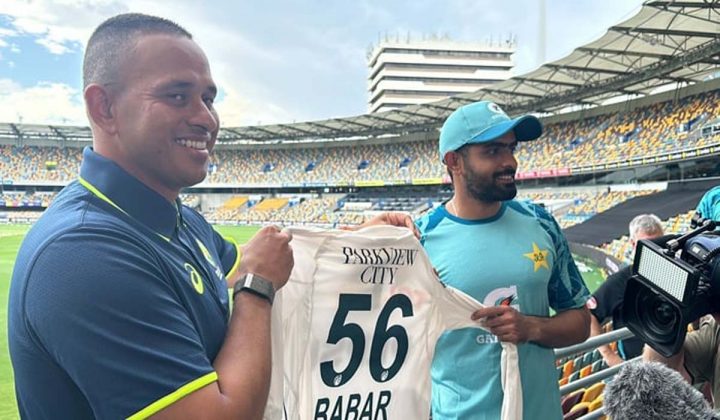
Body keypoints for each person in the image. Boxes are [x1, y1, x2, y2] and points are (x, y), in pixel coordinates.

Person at [8, 13, 414, 420]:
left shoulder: (177, 220)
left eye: (208, 98)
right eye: (177, 96)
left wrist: (355, 239)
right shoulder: (83, 255)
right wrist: (257, 288)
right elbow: (255, 281)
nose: (206, 118)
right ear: (105, 107)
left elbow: (254, 264)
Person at [416, 100, 591, 419]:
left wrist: (532, 327)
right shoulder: (420, 239)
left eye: (511, 149)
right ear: (454, 161)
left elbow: (580, 323)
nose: (510, 162)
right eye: (493, 151)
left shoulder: (541, 223)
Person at [587, 213, 664, 366]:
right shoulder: (621, 281)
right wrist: (609, 355)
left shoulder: (673, 273)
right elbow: (589, 314)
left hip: (673, 360)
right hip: (637, 366)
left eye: (658, 244)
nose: (653, 251)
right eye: (646, 245)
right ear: (633, 244)